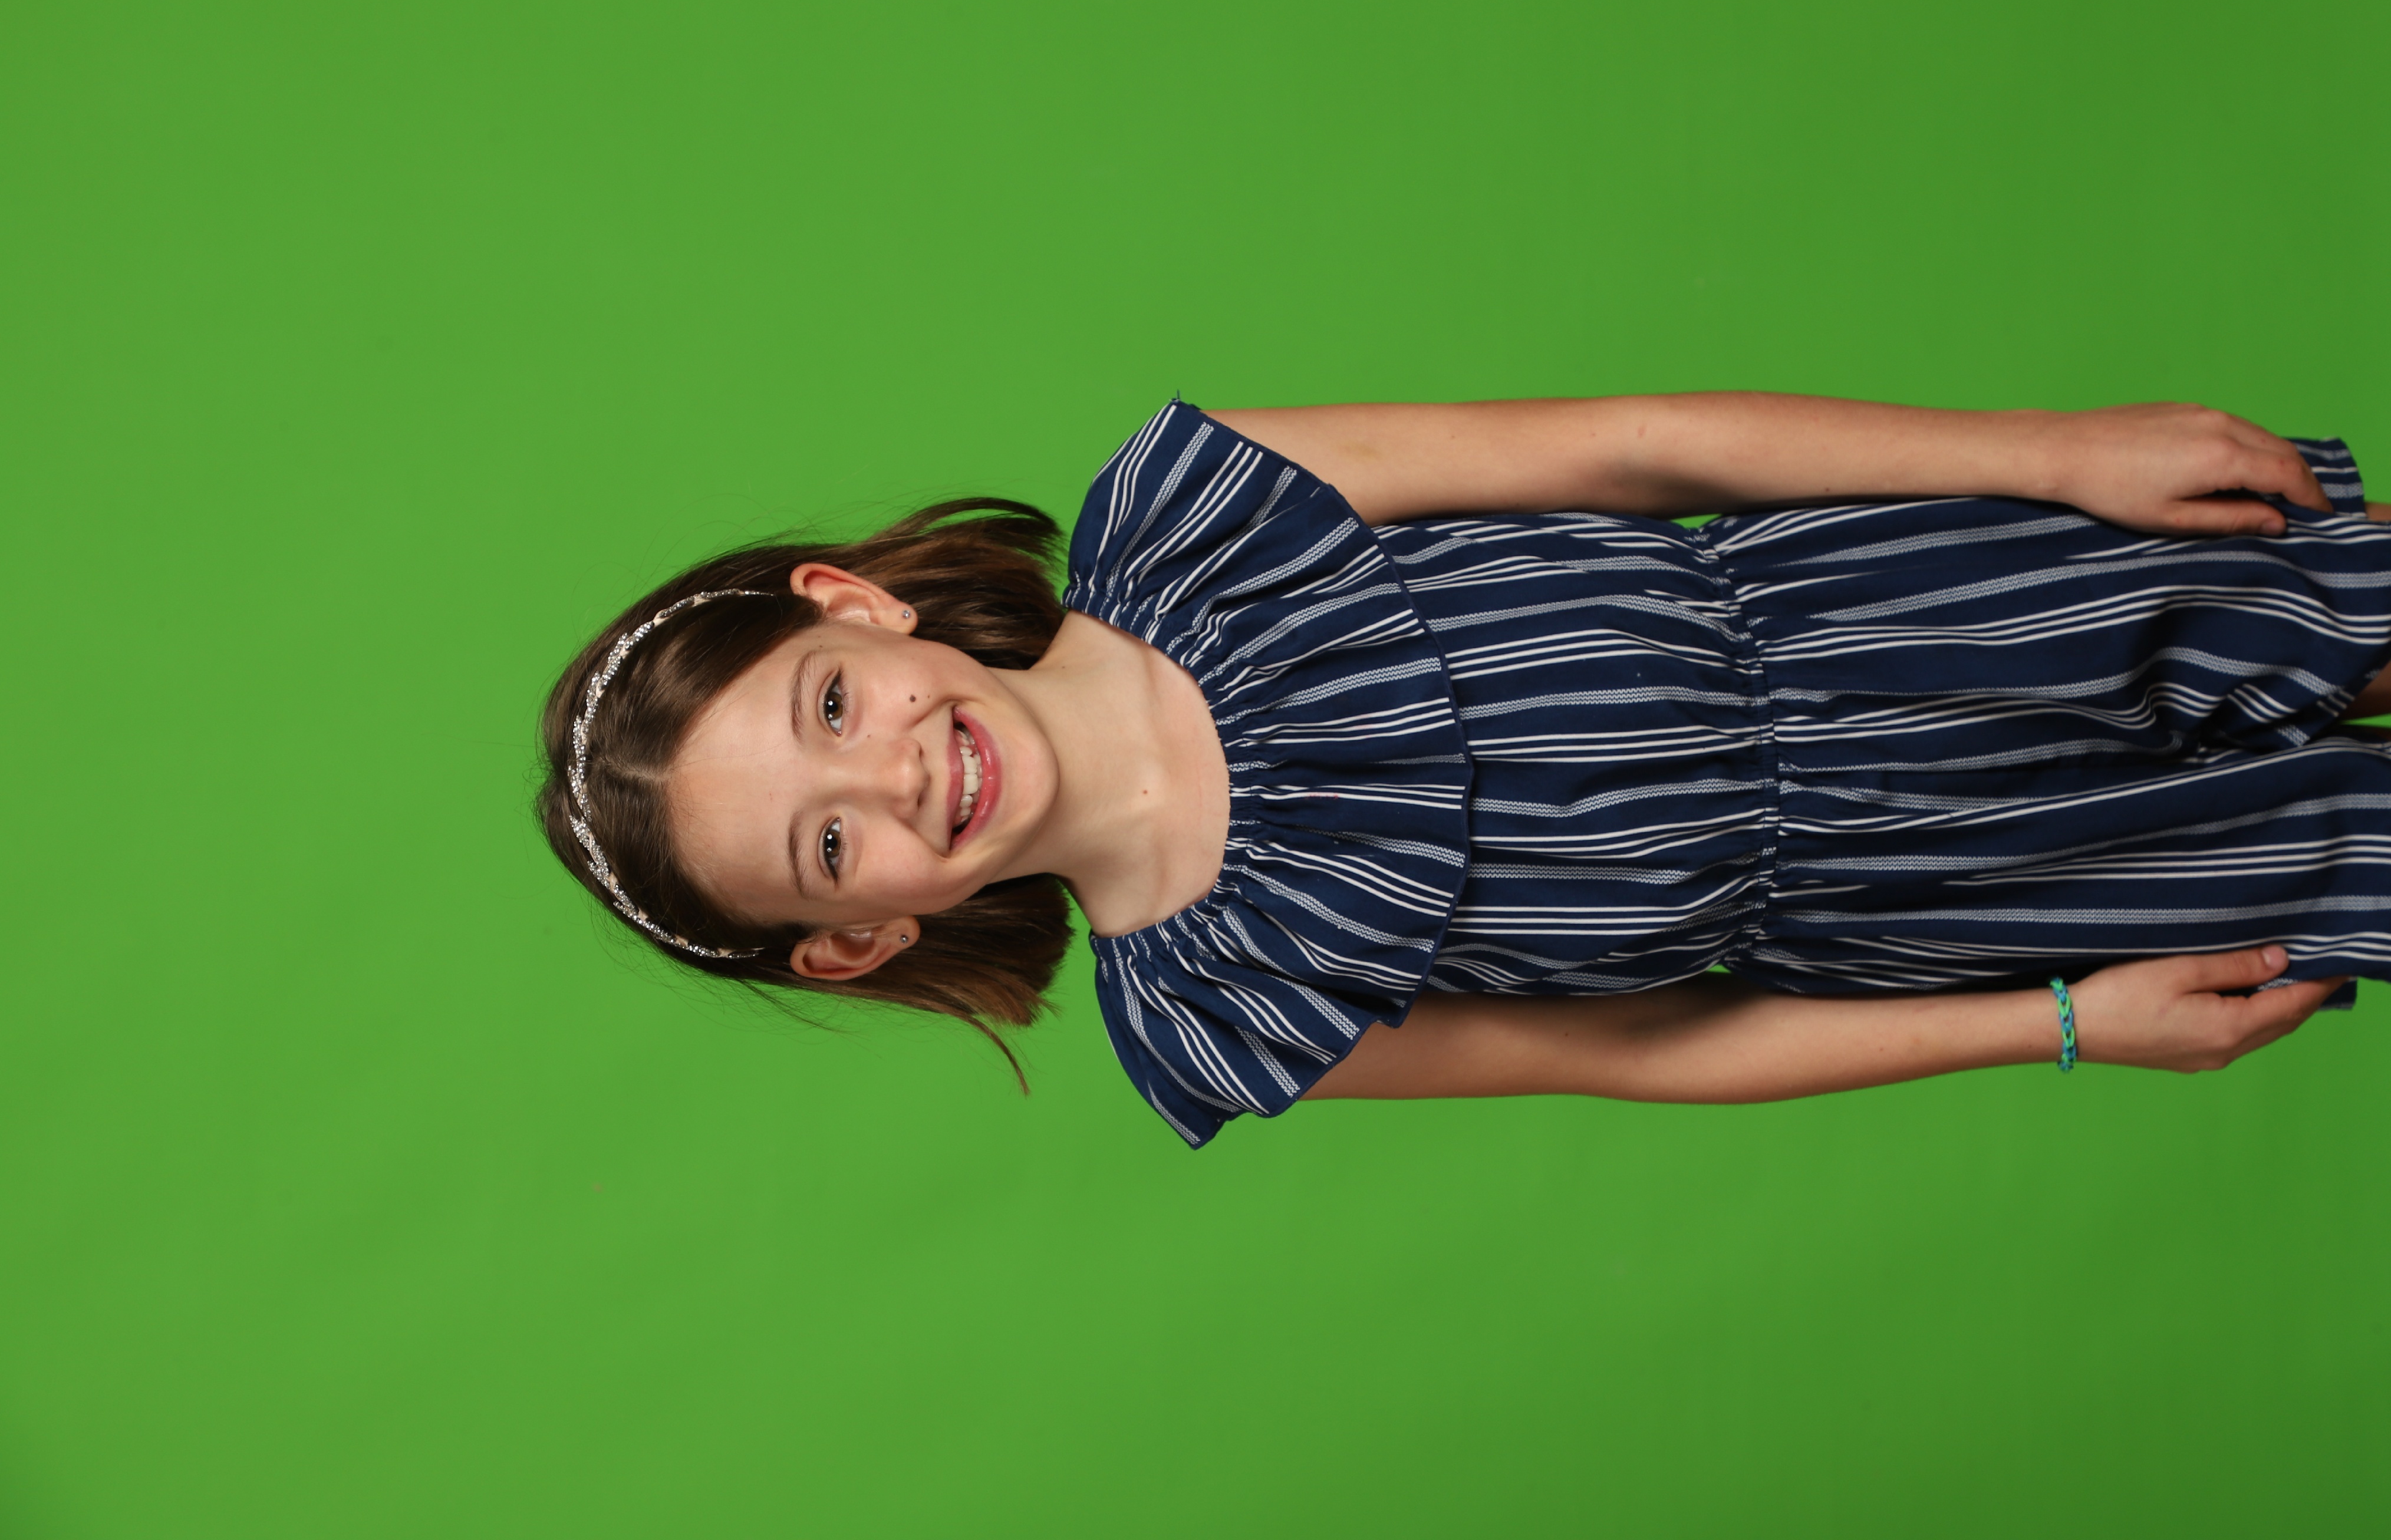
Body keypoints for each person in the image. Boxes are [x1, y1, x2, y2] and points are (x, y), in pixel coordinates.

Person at [537, 394, 2387, 1147]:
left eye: (830, 710)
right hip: (1945, 893)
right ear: (863, 938)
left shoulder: (1191, 513)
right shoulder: (1219, 1013)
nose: (888, 782)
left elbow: (1633, 449)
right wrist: (2065, 1021)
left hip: (1905, 603)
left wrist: (2051, 458)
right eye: (830, 848)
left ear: (852, 606)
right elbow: (1656, 1051)